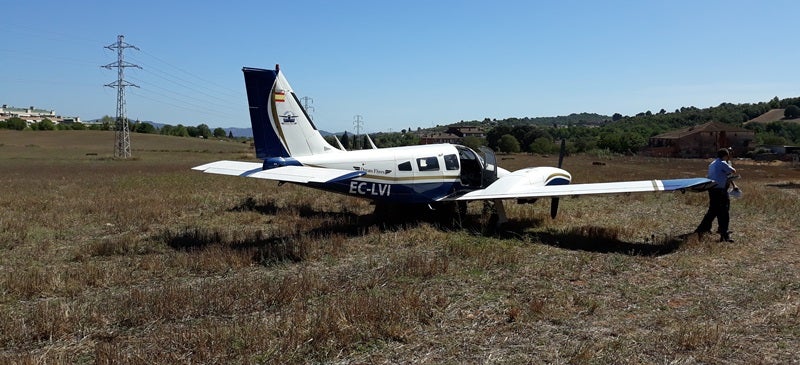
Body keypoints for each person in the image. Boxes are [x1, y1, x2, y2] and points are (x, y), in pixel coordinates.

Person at [695, 148, 738, 242]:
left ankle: (703, 229)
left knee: (713, 210)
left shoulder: (712, 163)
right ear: (726, 155)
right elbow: (733, 171)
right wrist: (729, 164)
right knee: (724, 212)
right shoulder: (723, 163)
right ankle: (724, 234)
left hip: (712, 189)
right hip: (720, 191)